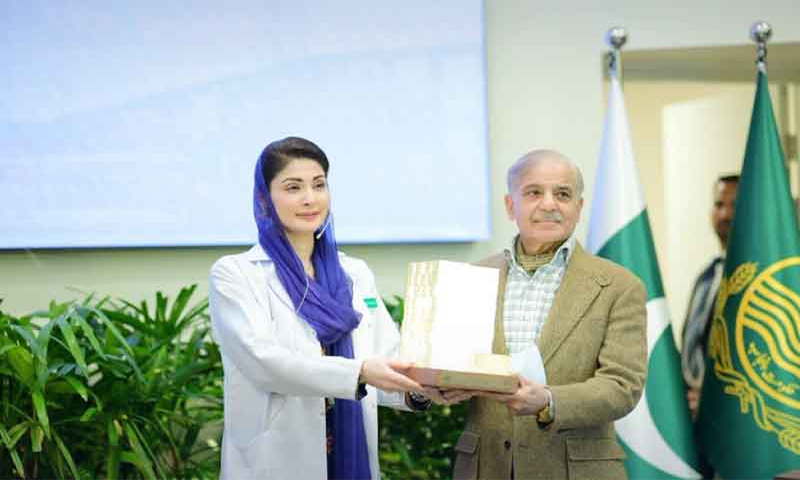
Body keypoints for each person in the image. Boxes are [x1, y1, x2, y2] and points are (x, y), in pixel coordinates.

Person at [208, 136, 427, 480]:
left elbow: (384, 356)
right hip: (276, 461)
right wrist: (359, 372)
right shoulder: (236, 274)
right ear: (264, 199)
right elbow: (263, 362)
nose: (310, 198)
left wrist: (422, 390)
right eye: (293, 187)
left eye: (319, 184)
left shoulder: (354, 273)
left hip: (350, 451)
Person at [448, 149, 647, 480]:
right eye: (534, 192)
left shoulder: (619, 286)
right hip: (485, 468)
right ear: (510, 205)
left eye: (563, 194)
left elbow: (622, 386)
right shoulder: (471, 279)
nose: (549, 204)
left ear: (579, 207)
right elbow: (447, 365)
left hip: (577, 471)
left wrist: (549, 400)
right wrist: (437, 386)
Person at [680, 175, 738, 418]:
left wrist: (712, 395)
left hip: (733, 413)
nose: (725, 214)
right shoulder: (705, 278)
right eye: (719, 204)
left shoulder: (761, 282)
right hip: (695, 414)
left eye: (735, 205)